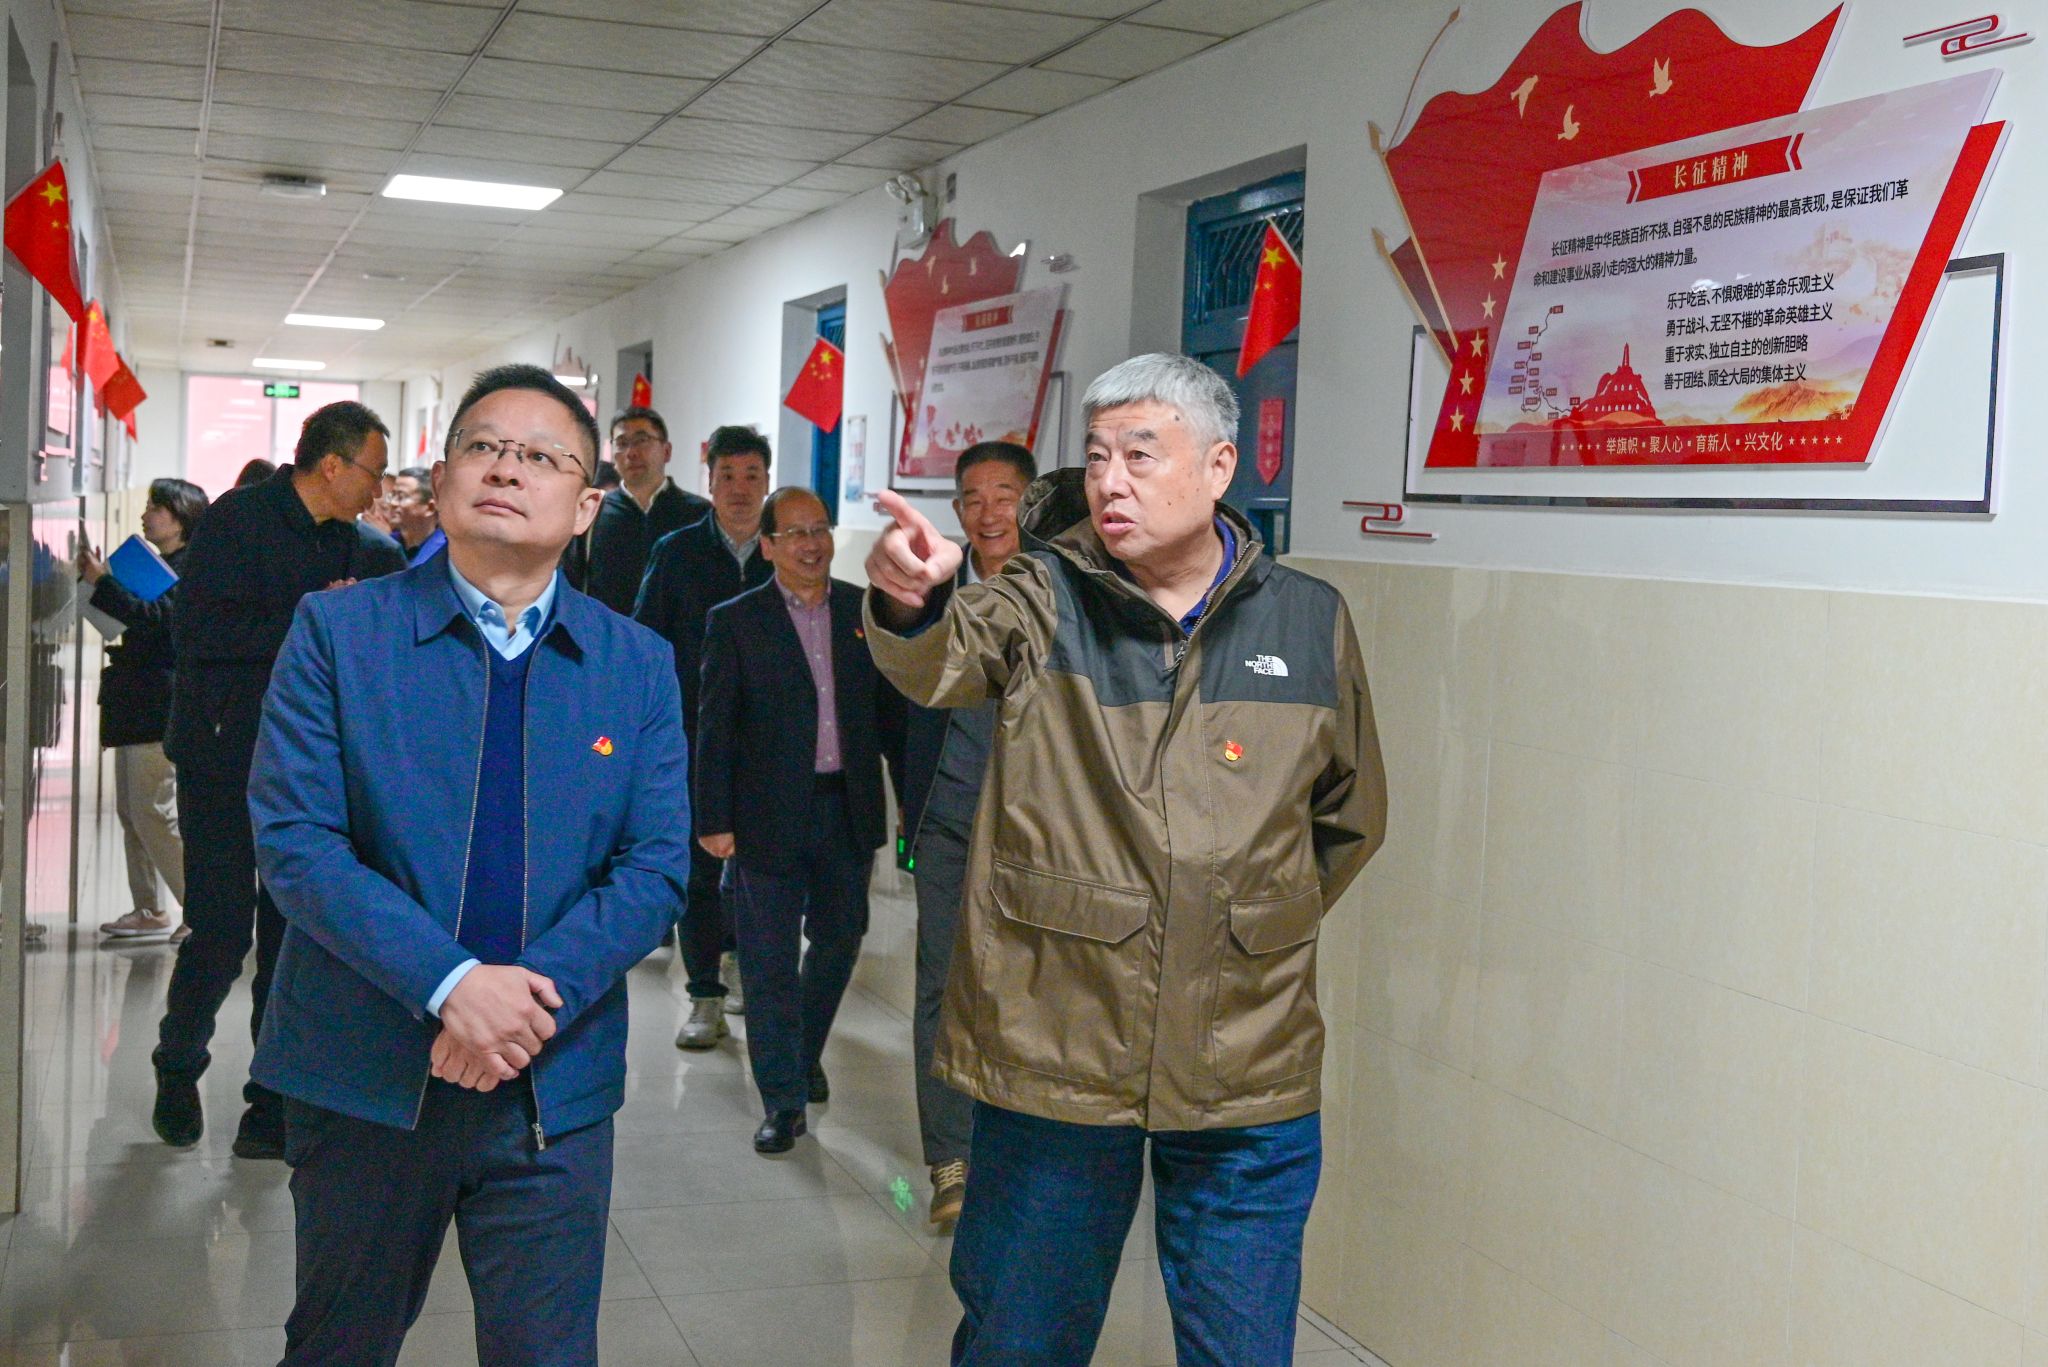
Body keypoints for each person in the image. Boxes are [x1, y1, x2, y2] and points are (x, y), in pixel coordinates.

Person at [864, 353, 1387, 1366]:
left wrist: (1243, 924)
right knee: (1021, 1338)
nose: (1109, 480)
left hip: (1247, 1058)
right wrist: (911, 603)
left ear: (1219, 466)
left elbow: (1347, 813)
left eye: (1140, 455)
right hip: (1055, 1049)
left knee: (1242, 1346)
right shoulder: (1041, 594)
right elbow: (943, 659)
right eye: (1097, 455)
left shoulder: (1309, 619)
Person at [249, 363, 692, 1365]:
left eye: (540, 456)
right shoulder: (339, 632)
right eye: (483, 446)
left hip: (550, 1082)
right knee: (340, 1344)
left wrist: (520, 1003)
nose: (505, 468)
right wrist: (452, 984)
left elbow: (655, 867)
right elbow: (297, 843)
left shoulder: (636, 662)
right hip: (366, 1072)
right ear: (442, 479)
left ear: (586, 506)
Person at [153, 401, 409, 1160]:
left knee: (291, 935)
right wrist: (311, 617)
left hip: (309, 765)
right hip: (223, 756)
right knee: (221, 928)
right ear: (331, 464)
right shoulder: (238, 521)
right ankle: (177, 1064)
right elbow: (197, 631)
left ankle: (269, 1100)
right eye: (372, 471)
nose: (379, 489)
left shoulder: (361, 546)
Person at [696, 487, 904, 1155]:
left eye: (819, 529)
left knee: (842, 937)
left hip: (847, 806)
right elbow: (715, 726)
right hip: (765, 812)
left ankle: (800, 1049)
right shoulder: (736, 620)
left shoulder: (862, 610)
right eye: (795, 533)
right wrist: (713, 816)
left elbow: (891, 715)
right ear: (768, 547)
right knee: (768, 959)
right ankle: (783, 1101)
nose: (811, 544)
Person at [892, 440, 1034, 1228]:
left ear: (1030, 501)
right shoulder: (931, 592)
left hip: (1038, 833)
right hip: (948, 819)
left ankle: (1017, 1157)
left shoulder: (1063, 593)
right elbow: (894, 697)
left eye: (1004, 494)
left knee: (1024, 992)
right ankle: (950, 1159)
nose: (989, 513)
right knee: (942, 987)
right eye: (973, 498)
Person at [632, 425, 774, 1048]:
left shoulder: (784, 548)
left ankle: (741, 963)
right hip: (694, 736)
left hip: (770, 739)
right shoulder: (678, 551)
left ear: (767, 482)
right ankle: (705, 995)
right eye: (727, 476)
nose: (740, 489)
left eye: (752, 476)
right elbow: (647, 638)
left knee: (759, 866)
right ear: (708, 482)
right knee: (698, 869)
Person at [78, 478, 209, 942]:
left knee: (152, 811)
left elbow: (159, 622)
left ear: (181, 516)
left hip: (158, 703)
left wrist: (104, 582)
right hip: (134, 700)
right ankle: (149, 908)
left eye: (156, 507)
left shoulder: (191, 569)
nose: (146, 514)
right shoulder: (160, 564)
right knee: (132, 812)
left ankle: (201, 911)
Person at [570, 406, 709, 614]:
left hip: (678, 632)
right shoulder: (593, 512)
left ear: (667, 451)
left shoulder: (698, 513)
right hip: (609, 631)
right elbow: (574, 582)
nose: (631, 453)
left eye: (642, 440)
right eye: (622, 443)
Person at [388, 465, 444, 566]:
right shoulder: (385, 545)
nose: (393, 503)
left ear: (430, 507)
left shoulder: (447, 552)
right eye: (393, 495)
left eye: (401, 497)